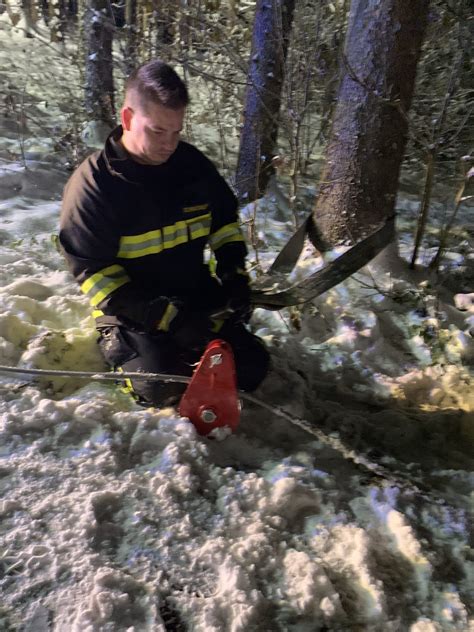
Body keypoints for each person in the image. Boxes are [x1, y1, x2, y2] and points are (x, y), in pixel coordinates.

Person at [59, 60, 270, 406]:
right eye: (157, 131)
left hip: (193, 292)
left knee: (250, 370)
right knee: (161, 386)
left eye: (176, 132)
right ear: (128, 119)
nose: (169, 144)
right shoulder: (93, 187)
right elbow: (94, 274)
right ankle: (117, 345)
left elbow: (225, 224)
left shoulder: (193, 167)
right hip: (131, 306)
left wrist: (233, 273)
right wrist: (165, 318)